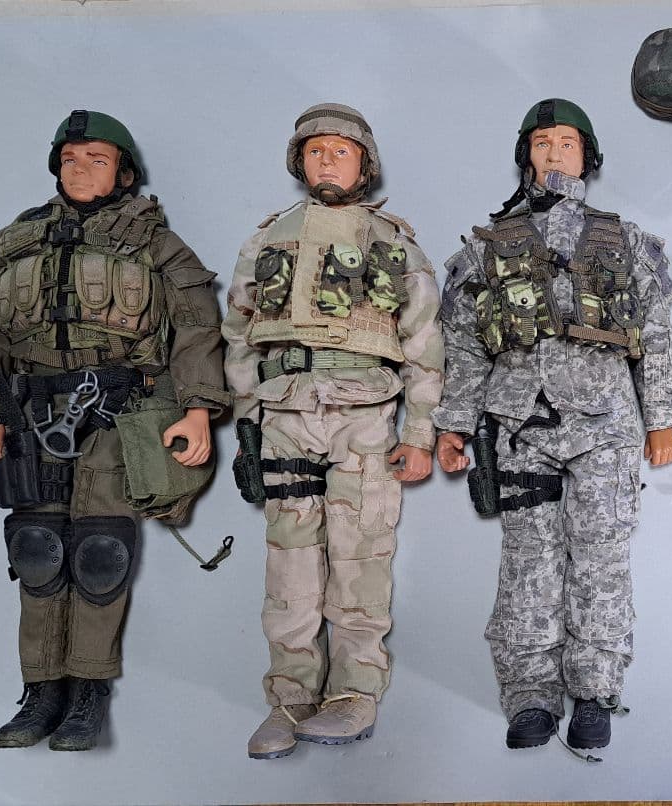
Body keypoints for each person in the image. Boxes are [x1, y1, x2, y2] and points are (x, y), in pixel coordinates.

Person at [0, 110, 229, 751]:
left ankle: (88, 689)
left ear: (123, 172)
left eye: (97, 159)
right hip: (29, 415)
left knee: (101, 554)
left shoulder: (156, 244)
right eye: (70, 159)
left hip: (117, 412)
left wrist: (197, 407)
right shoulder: (13, 243)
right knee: (35, 549)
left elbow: (196, 326)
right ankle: (39, 689)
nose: (80, 169)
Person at [433, 98, 672, 752]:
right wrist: (454, 425)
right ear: (525, 156)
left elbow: (656, 337)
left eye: (566, 143)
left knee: (601, 556)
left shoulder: (625, 241)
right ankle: (530, 695)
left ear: (586, 157)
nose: (553, 154)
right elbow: (464, 345)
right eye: (542, 143)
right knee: (528, 560)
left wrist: (661, 419)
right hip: (521, 424)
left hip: (606, 423)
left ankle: (595, 690)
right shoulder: (487, 247)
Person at [222, 103, 444, 758]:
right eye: (315, 150)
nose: (327, 160)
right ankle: (289, 699)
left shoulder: (393, 241)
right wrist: (247, 422)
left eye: (341, 152)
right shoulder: (269, 238)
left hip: (365, 415)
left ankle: (353, 693)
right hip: (285, 414)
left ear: (363, 165)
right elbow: (238, 331)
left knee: (360, 555)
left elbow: (425, 341)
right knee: (289, 562)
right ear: (299, 161)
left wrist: (420, 433)